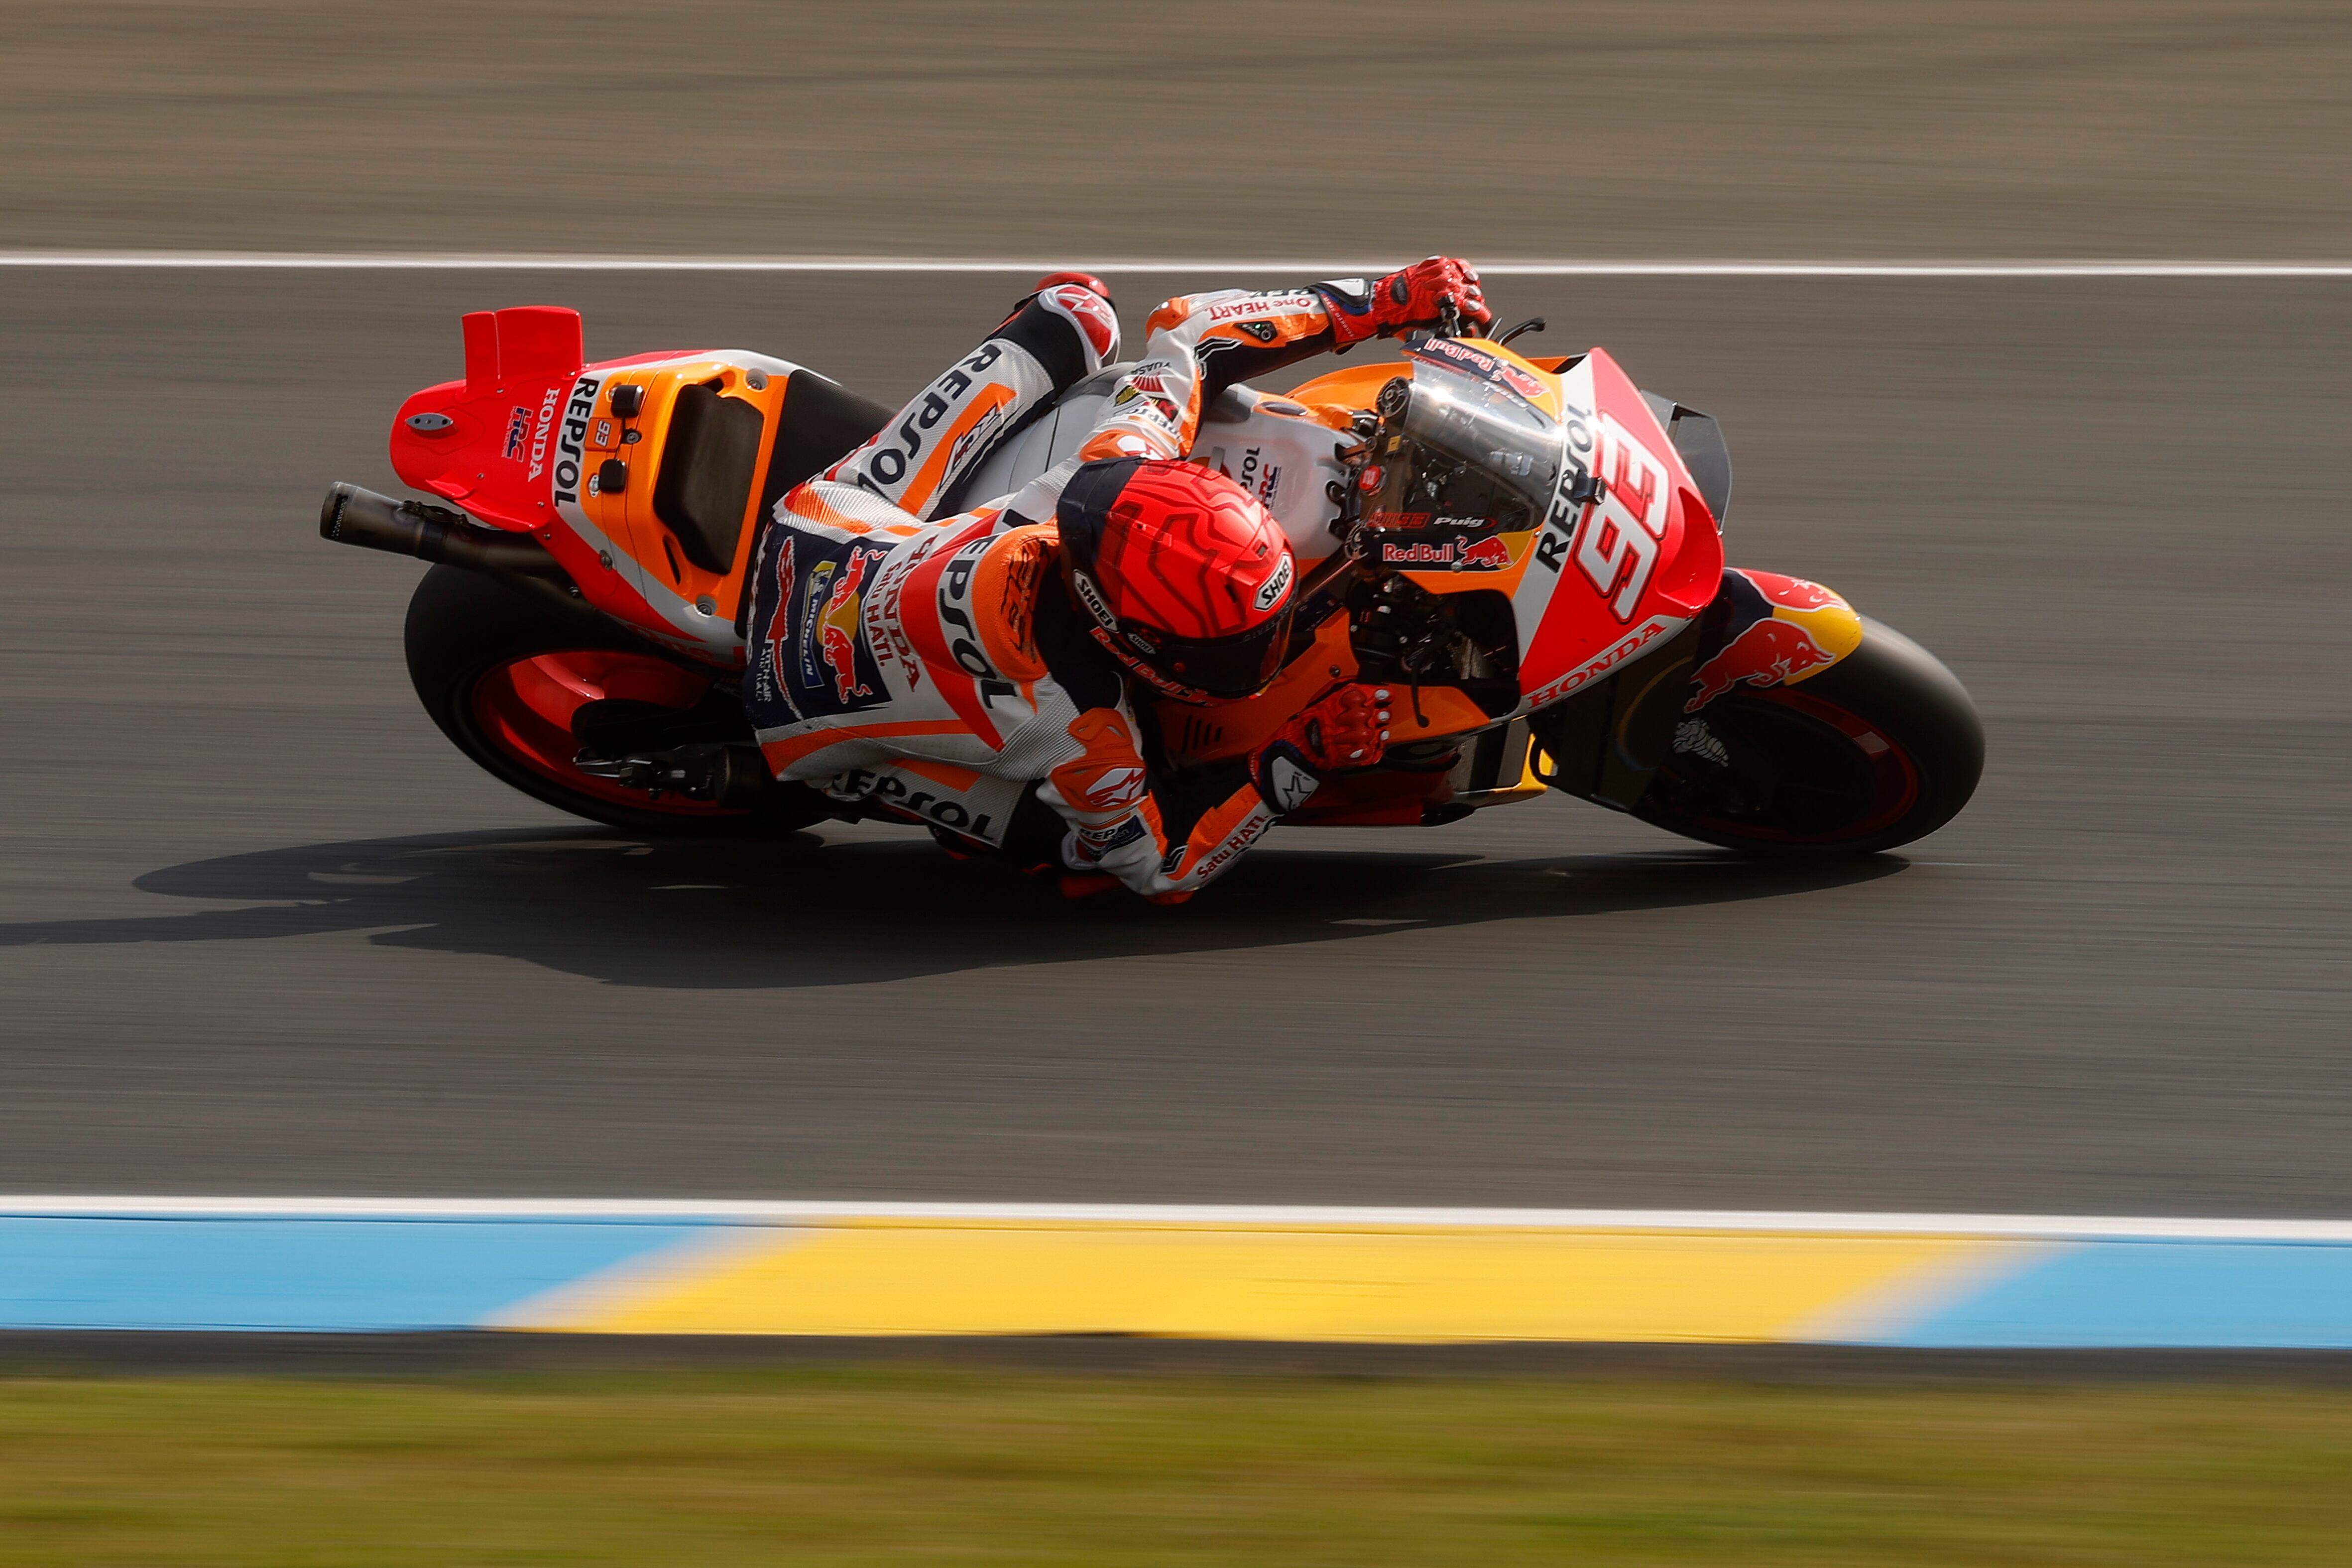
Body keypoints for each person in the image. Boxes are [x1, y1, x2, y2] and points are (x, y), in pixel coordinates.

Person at [742, 259, 1492, 901]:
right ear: (1126, 643)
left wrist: (1381, 302)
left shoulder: (1110, 466)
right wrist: (1298, 754)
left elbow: (1195, 333)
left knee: (1078, 312)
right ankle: (863, 780)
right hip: (798, 704)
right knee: (1078, 856)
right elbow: (1163, 868)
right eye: (1228, 651)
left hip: (824, 526)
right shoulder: (1080, 728)